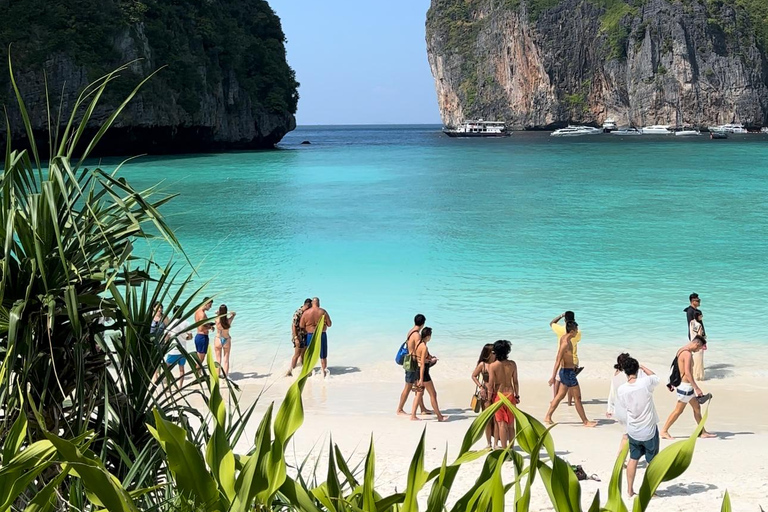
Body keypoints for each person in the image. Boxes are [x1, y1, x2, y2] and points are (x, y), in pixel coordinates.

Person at [615, 357, 660, 497]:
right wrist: (643, 367)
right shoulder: (645, 383)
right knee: (651, 461)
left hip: (633, 429)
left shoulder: (622, 389)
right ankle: (650, 491)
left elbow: (623, 406)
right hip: (649, 429)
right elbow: (655, 377)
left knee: (633, 459)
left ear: (625, 372)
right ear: (636, 369)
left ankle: (629, 490)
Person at [544, 321, 597, 427]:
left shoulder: (564, 338)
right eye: (576, 330)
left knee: (560, 396)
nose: (578, 331)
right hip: (568, 373)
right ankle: (585, 421)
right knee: (577, 398)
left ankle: (548, 416)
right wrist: (553, 377)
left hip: (566, 372)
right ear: (572, 331)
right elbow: (558, 360)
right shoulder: (565, 343)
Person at [661, 336, 715, 439]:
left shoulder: (681, 350)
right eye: (699, 349)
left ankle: (702, 431)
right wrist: (697, 388)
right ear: (697, 344)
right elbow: (688, 373)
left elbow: (675, 367)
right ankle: (664, 431)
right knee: (678, 411)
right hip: (685, 388)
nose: (698, 350)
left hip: (685, 386)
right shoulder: (687, 354)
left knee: (697, 408)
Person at [397, 314, 432, 416]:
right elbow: (418, 349)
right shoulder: (417, 335)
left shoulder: (411, 331)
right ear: (423, 323)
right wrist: (426, 360)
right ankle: (399, 409)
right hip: (413, 363)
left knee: (417, 387)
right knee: (408, 387)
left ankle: (422, 408)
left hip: (411, 361)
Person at [487, 340, 519, 448]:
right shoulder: (512, 364)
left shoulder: (493, 366)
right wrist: (517, 395)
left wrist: (488, 398)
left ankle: (505, 449)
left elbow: (491, 384)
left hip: (499, 396)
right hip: (510, 395)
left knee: (501, 424)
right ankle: (511, 448)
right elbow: (515, 381)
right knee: (511, 425)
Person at [410, 327, 445, 422]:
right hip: (423, 374)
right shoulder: (424, 347)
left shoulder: (418, 343)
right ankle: (439, 417)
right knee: (433, 394)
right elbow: (422, 364)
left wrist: (429, 359)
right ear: (428, 336)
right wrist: (421, 379)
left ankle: (413, 415)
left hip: (417, 371)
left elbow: (418, 358)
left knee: (419, 394)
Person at [550, 311, 582, 406]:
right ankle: (569, 402)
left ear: (565, 319)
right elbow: (578, 340)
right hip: (575, 359)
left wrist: (560, 315)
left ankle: (555, 399)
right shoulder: (577, 332)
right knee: (571, 381)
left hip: (564, 359)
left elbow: (551, 323)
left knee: (558, 380)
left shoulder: (561, 329)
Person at [471, 343, 497, 448]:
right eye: (493, 352)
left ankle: (496, 443)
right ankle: (489, 443)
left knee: (496, 419)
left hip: (496, 392)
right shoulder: (483, 364)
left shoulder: (497, 363)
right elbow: (473, 376)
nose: (495, 354)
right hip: (485, 393)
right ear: (488, 353)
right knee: (487, 419)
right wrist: (480, 387)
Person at [300, 297, 332, 377]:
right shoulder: (323, 312)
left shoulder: (306, 313)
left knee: (310, 354)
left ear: (312, 304)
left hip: (310, 335)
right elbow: (329, 324)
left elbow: (301, 325)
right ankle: (324, 373)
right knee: (323, 355)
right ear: (318, 303)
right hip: (321, 334)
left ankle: (310, 372)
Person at [164, 306, 192, 384]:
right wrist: (185, 337)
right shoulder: (186, 323)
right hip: (183, 350)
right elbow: (190, 337)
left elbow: (166, 338)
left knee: (166, 368)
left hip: (173, 350)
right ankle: (180, 387)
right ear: (182, 313)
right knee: (181, 369)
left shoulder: (170, 324)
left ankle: (168, 383)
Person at [288, 299, 312, 376]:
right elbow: (294, 326)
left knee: (303, 353)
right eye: (310, 307)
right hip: (298, 336)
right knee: (297, 354)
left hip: (305, 335)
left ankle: (302, 369)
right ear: (307, 305)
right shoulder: (298, 313)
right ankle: (291, 371)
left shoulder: (307, 313)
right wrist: (296, 338)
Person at [214, 304, 237, 377]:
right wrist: (229, 313)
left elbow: (216, 313)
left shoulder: (217, 320)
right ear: (226, 311)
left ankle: (217, 375)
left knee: (218, 359)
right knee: (226, 360)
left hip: (218, 339)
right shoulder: (228, 320)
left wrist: (218, 313)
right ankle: (226, 376)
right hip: (226, 339)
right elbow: (234, 314)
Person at [194, 298, 214, 367]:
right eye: (210, 305)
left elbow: (199, 324)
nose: (210, 307)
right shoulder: (202, 314)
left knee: (199, 359)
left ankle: (198, 374)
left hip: (198, 337)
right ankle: (197, 374)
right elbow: (201, 328)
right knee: (201, 360)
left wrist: (208, 325)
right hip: (202, 337)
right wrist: (210, 327)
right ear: (206, 303)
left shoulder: (197, 311)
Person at [689, 310, 707, 381]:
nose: (702, 317)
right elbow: (700, 337)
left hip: (692, 343)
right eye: (701, 316)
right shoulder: (699, 325)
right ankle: (699, 376)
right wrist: (704, 342)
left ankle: (693, 374)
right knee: (699, 361)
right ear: (698, 316)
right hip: (698, 345)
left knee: (695, 360)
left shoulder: (691, 322)